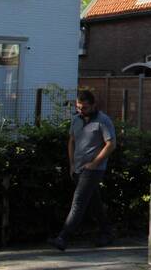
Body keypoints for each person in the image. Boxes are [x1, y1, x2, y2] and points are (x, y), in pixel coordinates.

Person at [48, 89, 117, 251]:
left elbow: (111, 144)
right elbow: (71, 141)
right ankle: (107, 232)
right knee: (94, 202)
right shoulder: (76, 120)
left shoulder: (103, 121)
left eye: (84, 107)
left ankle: (63, 238)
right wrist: (71, 164)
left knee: (78, 201)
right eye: (79, 107)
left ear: (93, 105)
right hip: (78, 168)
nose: (81, 110)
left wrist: (94, 163)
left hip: (93, 170)